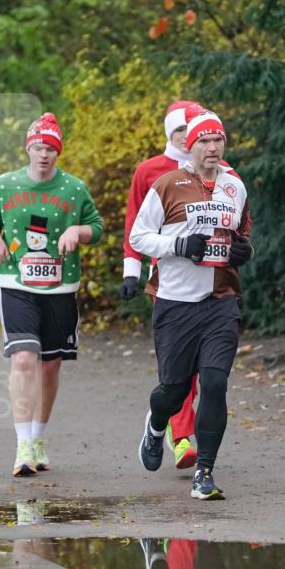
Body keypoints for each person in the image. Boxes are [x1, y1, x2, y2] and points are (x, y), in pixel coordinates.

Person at [130, 109, 253, 499]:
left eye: (219, 140)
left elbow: (242, 232)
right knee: (174, 390)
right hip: (176, 302)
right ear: (190, 145)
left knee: (215, 383)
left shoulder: (235, 186)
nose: (213, 147)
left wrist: (243, 251)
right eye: (205, 140)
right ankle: (156, 424)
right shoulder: (167, 185)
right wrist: (177, 245)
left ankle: (205, 472)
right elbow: (139, 236)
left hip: (221, 300)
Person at [0, 112, 103, 476]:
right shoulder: (7, 184)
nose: (44, 153)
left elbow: (96, 227)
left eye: (50, 147)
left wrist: (77, 232)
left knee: (50, 365)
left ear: (58, 151)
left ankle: (38, 436)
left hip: (60, 288)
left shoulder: (75, 188)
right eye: (38, 146)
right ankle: (21, 446)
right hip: (16, 283)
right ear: (28, 149)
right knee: (23, 359)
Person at [120, 101, 200, 470]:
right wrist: (130, 272)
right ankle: (180, 435)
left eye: (195, 130)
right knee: (177, 364)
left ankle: (181, 433)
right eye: (182, 130)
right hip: (166, 280)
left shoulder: (212, 169)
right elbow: (134, 224)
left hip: (208, 280)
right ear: (170, 133)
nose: (189, 137)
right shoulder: (149, 170)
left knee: (201, 365)